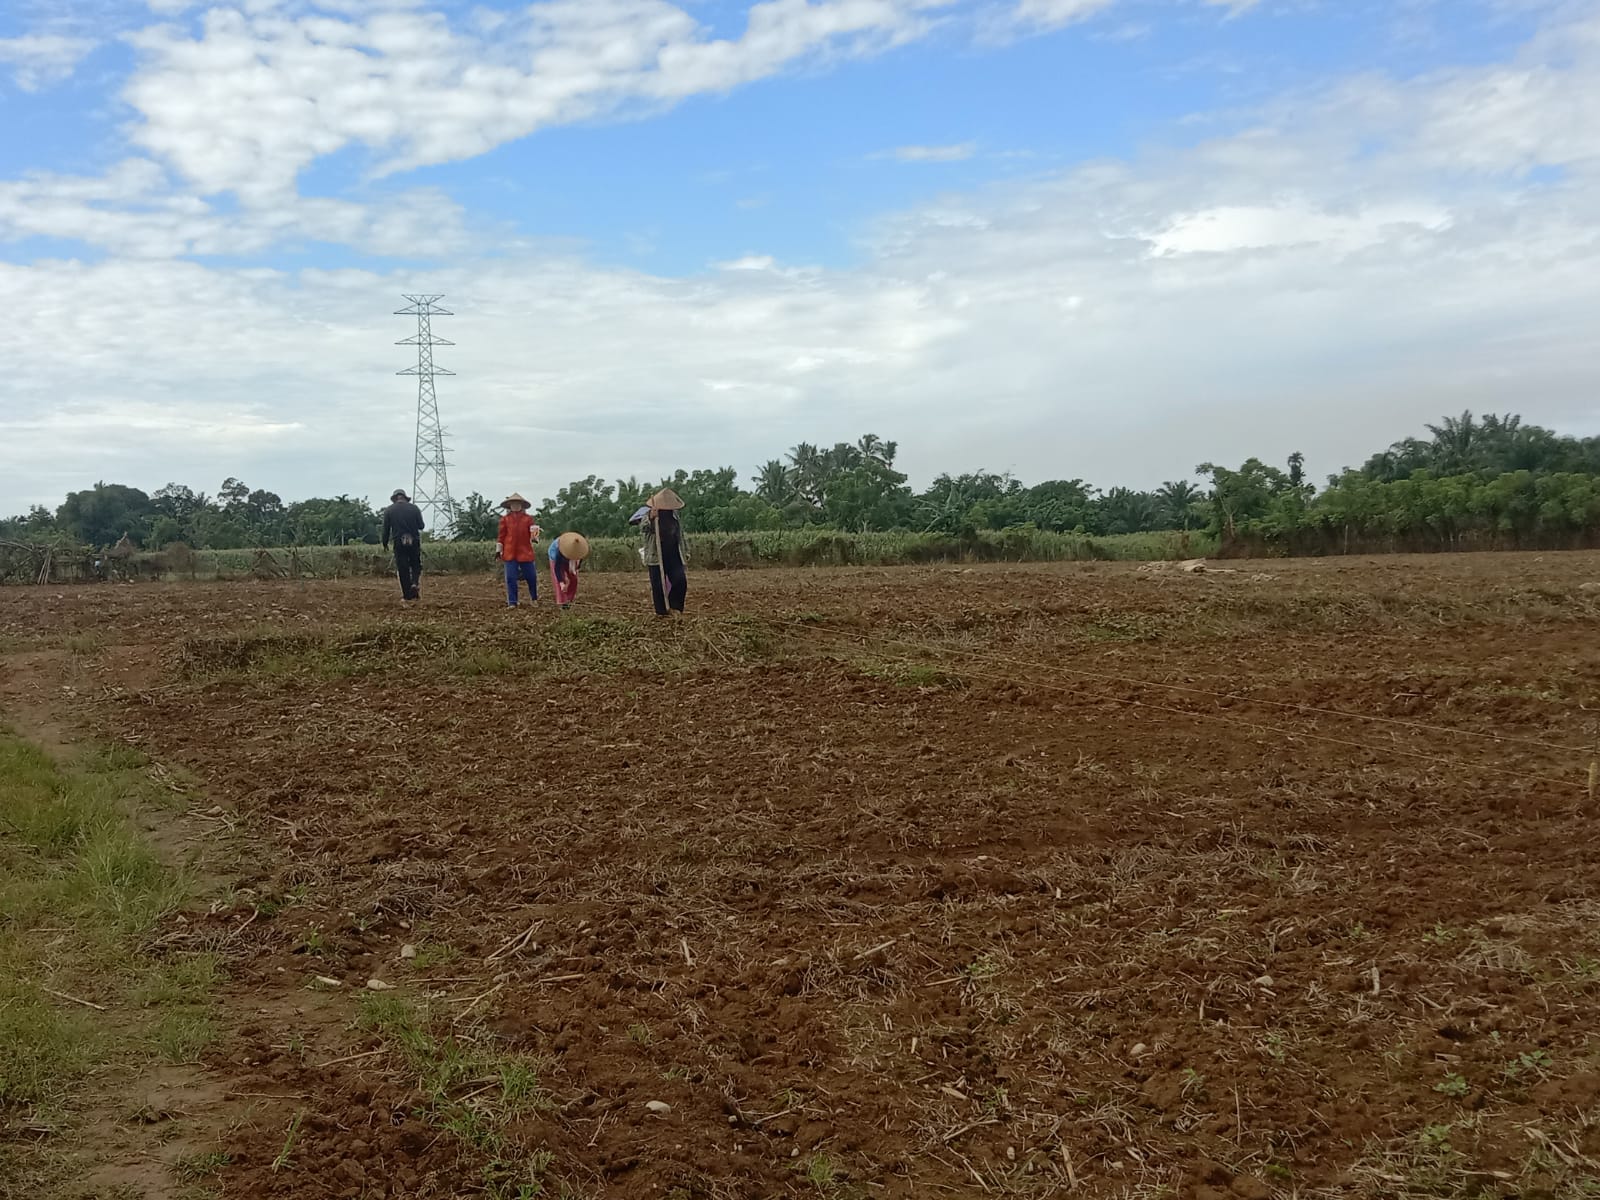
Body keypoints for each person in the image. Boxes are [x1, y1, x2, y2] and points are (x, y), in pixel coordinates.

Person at [632, 488, 688, 617]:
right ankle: (661, 612)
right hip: (656, 554)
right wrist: (651, 518)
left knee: (680, 580)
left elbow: (680, 534)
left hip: (673, 552)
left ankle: (676, 608)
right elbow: (643, 528)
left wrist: (685, 551)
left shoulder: (674, 515)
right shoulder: (650, 513)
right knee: (658, 585)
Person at [497, 493, 541, 607]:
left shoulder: (528, 519)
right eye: (513, 504)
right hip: (509, 552)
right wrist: (498, 550)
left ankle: (534, 598)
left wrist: (535, 537)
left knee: (531, 576)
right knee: (511, 578)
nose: (516, 506)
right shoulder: (505, 520)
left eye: (518, 504)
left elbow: (533, 534)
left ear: (522, 506)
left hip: (525, 551)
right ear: (509, 506)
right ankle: (512, 602)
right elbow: (501, 536)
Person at [381, 488, 426, 601]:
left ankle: (407, 595)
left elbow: (386, 530)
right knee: (415, 563)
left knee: (403, 568)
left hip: (399, 541)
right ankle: (415, 583)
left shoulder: (389, 511)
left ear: (395, 498)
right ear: (405, 498)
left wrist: (385, 543)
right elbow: (421, 526)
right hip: (414, 540)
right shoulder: (414, 508)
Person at [549, 532, 589, 610]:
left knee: (574, 578)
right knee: (560, 581)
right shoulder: (559, 550)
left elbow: (580, 561)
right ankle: (562, 602)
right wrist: (561, 583)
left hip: (571, 560)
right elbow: (557, 568)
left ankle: (569, 599)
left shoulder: (580, 548)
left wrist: (576, 569)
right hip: (556, 559)